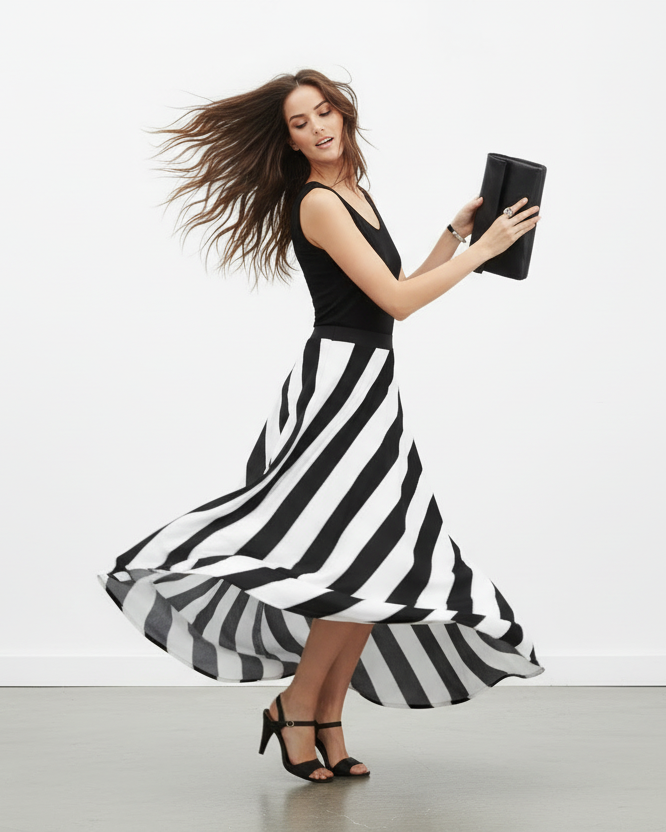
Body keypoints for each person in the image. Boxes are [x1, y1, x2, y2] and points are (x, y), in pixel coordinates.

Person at [97, 69, 545, 785]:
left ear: (344, 115)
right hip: (338, 388)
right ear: (290, 141)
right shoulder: (317, 202)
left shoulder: (355, 193)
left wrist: (455, 235)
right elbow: (398, 303)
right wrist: (484, 252)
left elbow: (395, 292)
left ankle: (326, 719)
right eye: (300, 123)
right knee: (354, 556)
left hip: (370, 384)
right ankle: (296, 705)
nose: (317, 128)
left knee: (375, 558)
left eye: (324, 112)